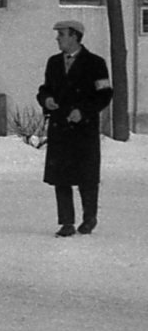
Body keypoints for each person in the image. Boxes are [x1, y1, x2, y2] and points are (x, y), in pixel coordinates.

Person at [37, 19, 112, 237]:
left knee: (86, 177)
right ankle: (66, 222)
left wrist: (84, 111)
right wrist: (46, 99)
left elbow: (105, 94)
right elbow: (45, 88)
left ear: (74, 36)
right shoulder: (53, 63)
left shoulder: (95, 63)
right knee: (61, 177)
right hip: (60, 127)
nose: (57, 39)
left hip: (83, 130)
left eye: (61, 34)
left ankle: (89, 218)